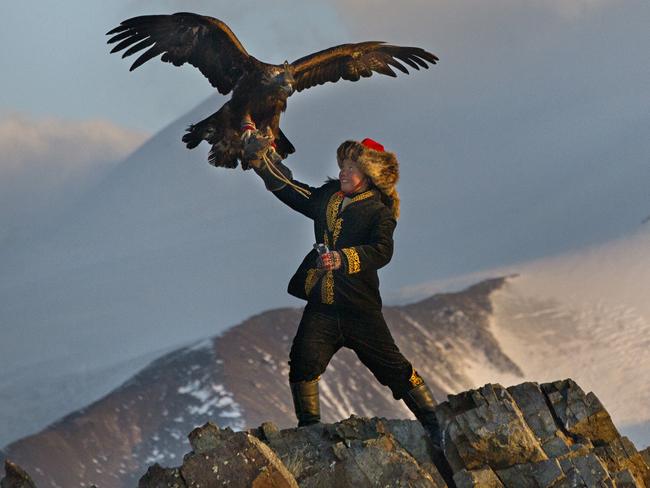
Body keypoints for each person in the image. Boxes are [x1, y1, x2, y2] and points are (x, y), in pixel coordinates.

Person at [242, 128, 451, 473]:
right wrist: (262, 161)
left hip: (360, 310)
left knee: (395, 370)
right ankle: (309, 432)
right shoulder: (327, 198)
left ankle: (436, 427)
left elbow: (382, 251)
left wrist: (343, 259)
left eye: (352, 168)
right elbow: (294, 191)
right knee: (302, 362)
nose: (343, 172)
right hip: (322, 307)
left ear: (370, 176)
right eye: (343, 165)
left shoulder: (380, 213)